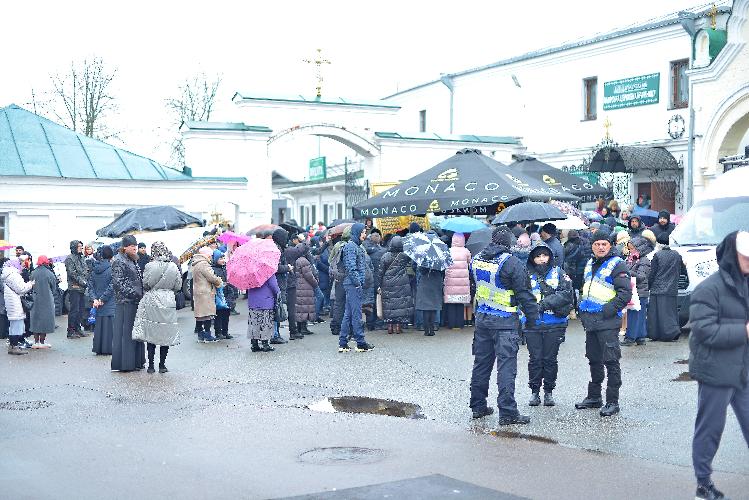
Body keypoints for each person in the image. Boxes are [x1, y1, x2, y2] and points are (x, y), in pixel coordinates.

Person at [688, 231, 749, 500]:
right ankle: (703, 483)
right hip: (715, 372)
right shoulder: (707, 289)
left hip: (743, 370)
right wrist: (744, 331)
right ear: (731, 257)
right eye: (745, 256)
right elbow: (704, 332)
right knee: (710, 428)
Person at [469, 228, 539, 425]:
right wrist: (533, 319)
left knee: (481, 364)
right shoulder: (512, 263)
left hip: (482, 318)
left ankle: (478, 406)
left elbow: (474, 287)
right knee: (506, 366)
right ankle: (507, 412)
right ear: (509, 244)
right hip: (505, 321)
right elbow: (525, 293)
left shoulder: (476, 259)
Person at [576, 231, 632, 417]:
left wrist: (606, 311)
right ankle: (594, 397)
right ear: (592, 245)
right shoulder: (590, 263)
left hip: (607, 321)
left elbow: (625, 294)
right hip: (591, 321)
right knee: (594, 359)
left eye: (604, 244)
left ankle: (612, 401)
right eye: (597, 244)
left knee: (611, 360)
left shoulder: (618, 264)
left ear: (610, 245)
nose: (601, 247)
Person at [524, 242, 574, 407]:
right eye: (538, 256)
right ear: (532, 258)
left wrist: (543, 304)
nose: (541, 259)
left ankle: (548, 391)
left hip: (555, 323)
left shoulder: (559, 272)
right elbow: (521, 296)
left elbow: (567, 294)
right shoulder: (525, 274)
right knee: (535, 359)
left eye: (544, 255)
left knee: (550, 359)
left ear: (550, 256)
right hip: (532, 324)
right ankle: (534, 391)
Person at [132, 242, 182, 374]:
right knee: (165, 332)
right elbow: (178, 285)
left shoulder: (149, 266)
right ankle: (162, 365)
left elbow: (146, 283)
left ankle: (151, 366)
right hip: (168, 300)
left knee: (152, 332)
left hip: (152, 300)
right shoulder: (173, 266)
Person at [111, 235, 146, 372]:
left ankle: (137, 362)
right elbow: (118, 283)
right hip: (126, 302)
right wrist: (135, 293)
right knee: (127, 334)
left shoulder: (132, 259)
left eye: (136, 246)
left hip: (135, 301)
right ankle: (126, 364)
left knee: (136, 333)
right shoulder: (119, 261)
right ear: (125, 247)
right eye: (133, 247)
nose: (135, 249)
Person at [339, 223, 374, 352]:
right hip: (353, 285)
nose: (365, 235)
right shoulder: (351, 247)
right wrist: (358, 282)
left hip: (352, 284)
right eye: (363, 232)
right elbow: (351, 267)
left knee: (348, 314)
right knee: (356, 314)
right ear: (357, 232)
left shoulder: (355, 246)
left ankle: (343, 342)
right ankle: (360, 342)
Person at [647, 232, 685, 342]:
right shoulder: (677, 254)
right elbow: (682, 270)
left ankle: (656, 334)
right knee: (670, 313)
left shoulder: (657, 255)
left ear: (658, 243)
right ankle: (672, 332)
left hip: (657, 288)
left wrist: (648, 286)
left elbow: (652, 273)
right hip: (672, 288)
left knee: (656, 314)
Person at [379, 236, 414, 334]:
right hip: (401, 281)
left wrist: (379, 283)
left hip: (388, 282)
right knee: (400, 303)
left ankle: (390, 327)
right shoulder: (404, 256)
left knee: (389, 303)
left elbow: (380, 271)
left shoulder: (385, 256)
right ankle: (398, 327)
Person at [621, 237, 652, 346]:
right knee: (638, 314)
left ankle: (631, 337)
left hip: (639, 291)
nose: (630, 250)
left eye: (632, 248)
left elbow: (642, 277)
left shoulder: (643, 260)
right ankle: (640, 337)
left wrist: (628, 272)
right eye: (629, 248)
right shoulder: (632, 259)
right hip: (635, 291)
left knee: (635, 315)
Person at [191, 246, 224, 343]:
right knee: (207, 314)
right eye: (210, 255)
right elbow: (211, 277)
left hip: (198, 291)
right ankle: (208, 335)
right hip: (205, 291)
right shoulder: (204, 264)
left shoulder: (196, 263)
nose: (211, 257)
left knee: (200, 314)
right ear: (207, 255)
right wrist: (219, 282)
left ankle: (201, 335)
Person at [3, 258, 34, 355]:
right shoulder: (13, 275)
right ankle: (14, 346)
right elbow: (21, 289)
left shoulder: (8, 274)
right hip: (15, 302)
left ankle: (12, 346)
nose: (22, 265)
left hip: (11, 302)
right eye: (21, 263)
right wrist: (31, 284)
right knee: (17, 325)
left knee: (13, 325)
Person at [88, 245, 115, 355]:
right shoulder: (111, 268)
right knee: (109, 327)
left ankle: (98, 348)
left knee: (99, 327)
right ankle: (109, 349)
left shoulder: (94, 269)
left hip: (97, 302)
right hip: (108, 302)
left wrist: (95, 299)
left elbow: (90, 286)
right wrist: (103, 299)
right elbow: (112, 286)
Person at [444, 233, 472, 329]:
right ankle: (460, 324)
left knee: (451, 303)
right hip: (462, 281)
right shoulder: (466, 251)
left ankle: (451, 324)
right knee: (460, 303)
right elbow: (469, 262)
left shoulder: (448, 251)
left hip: (450, 280)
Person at [247, 273, 280, 352]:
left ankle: (254, 344)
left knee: (254, 323)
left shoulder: (250, 273)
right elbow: (274, 286)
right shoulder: (268, 272)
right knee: (266, 322)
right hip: (265, 301)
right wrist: (278, 293)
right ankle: (265, 344)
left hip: (253, 302)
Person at [29, 256, 57, 348]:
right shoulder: (49, 273)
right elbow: (54, 288)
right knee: (45, 320)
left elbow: (30, 285)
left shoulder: (33, 272)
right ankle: (42, 342)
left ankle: (36, 341)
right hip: (47, 300)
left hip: (35, 299)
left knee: (35, 320)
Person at [270, 228, 291, 344]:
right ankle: (275, 335)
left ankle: (276, 333)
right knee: (277, 309)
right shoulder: (276, 250)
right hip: (277, 283)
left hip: (280, 282)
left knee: (278, 309)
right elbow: (275, 267)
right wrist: (287, 268)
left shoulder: (279, 248)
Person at [64, 240, 88, 339]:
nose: (81, 248)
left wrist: (86, 279)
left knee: (81, 309)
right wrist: (83, 282)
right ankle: (71, 330)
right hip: (74, 287)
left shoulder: (81, 257)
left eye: (81, 247)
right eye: (79, 247)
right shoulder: (69, 258)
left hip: (82, 288)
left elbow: (86, 269)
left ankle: (78, 328)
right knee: (74, 309)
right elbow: (72, 273)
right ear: (74, 247)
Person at [293, 242, 318, 336]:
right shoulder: (304, 261)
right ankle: (303, 328)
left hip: (299, 286)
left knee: (299, 307)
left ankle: (299, 327)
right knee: (305, 307)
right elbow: (309, 276)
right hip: (305, 287)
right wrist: (315, 283)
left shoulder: (296, 260)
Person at [363, 232, 386, 331]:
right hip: (379, 279)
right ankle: (379, 322)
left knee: (369, 301)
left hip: (368, 279)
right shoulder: (383, 252)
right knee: (379, 301)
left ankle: (370, 323)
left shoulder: (365, 251)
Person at [211, 249, 236, 340]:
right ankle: (218, 332)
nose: (222, 260)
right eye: (220, 258)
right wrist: (221, 284)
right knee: (218, 315)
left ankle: (225, 331)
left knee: (226, 314)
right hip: (218, 295)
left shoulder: (225, 268)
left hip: (227, 293)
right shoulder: (213, 269)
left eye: (223, 258)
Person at [415, 266, 443, 337]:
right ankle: (432, 329)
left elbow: (418, 269)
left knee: (425, 308)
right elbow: (443, 271)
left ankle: (426, 330)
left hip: (424, 283)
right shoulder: (438, 261)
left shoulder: (423, 260)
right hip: (436, 283)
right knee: (433, 308)